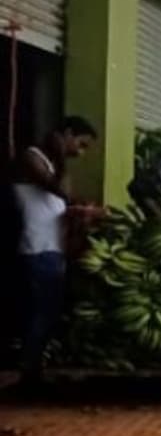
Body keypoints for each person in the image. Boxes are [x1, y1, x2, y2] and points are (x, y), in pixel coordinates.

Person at [12, 116, 98, 386]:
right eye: (80, 144)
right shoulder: (32, 157)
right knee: (41, 313)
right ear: (67, 134)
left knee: (49, 312)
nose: (79, 152)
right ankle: (29, 372)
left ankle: (34, 368)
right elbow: (54, 187)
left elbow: (63, 199)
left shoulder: (56, 167)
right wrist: (60, 155)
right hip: (36, 246)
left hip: (53, 248)